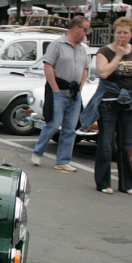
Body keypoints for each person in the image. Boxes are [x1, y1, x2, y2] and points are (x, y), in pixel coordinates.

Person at [79, 17, 132, 195]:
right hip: (108, 101)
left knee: (126, 143)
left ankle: (128, 184)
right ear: (114, 33)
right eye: (119, 32)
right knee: (105, 143)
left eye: (125, 33)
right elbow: (104, 73)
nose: (122, 36)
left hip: (129, 102)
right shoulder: (105, 51)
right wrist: (119, 55)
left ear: (131, 34)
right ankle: (103, 183)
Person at [31, 16, 90, 172]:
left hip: (74, 92)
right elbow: (48, 66)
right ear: (76, 28)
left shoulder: (82, 48)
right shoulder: (57, 44)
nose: (86, 33)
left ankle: (63, 160)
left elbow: (85, 69)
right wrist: (56, 89)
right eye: (85, 29)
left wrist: (81, 86)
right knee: (53, 124)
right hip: (60, 90)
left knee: (70, 128)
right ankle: (38, 152)